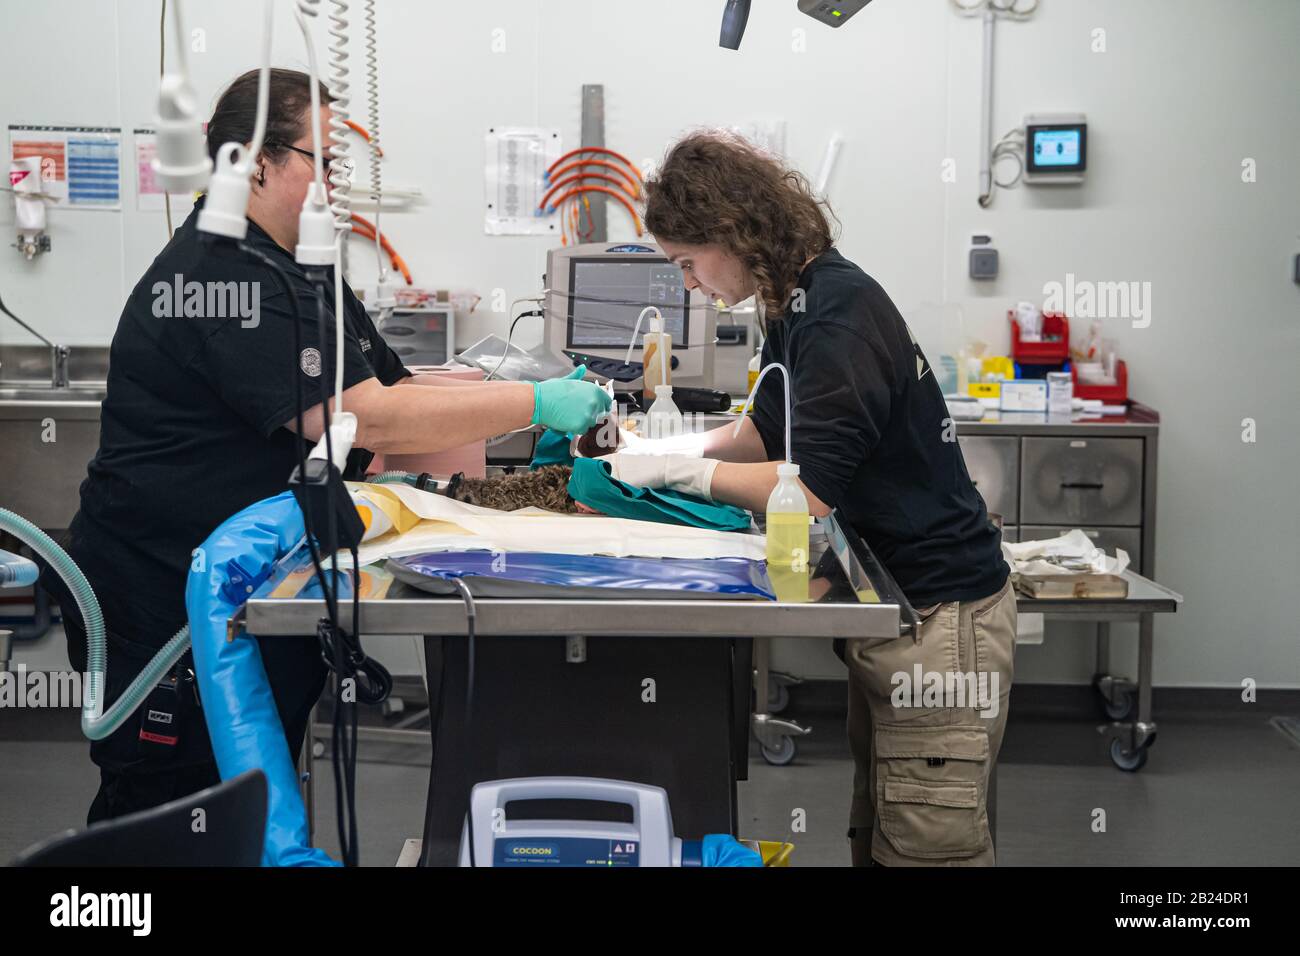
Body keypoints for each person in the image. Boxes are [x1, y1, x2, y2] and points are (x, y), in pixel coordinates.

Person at [40, 68, 609, 823]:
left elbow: (400, 390)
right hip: (164, 602)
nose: (334, 180)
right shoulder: (222, 278)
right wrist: (533, 403)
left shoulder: (302, 270)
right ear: (254, 160)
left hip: (254, 586)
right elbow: (364, 419)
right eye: (323, 160)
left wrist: (534, 408)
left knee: (255, 808)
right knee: (180, 816)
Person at [605, 130, 1016, 866]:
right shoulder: (790, 305)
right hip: (897, 609)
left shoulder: (839, 314)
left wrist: (678, 478)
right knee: (883, 828)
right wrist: (662, 450)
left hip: (940, 617)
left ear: (729, 233)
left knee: (928, 845)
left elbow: (813, 492)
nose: (690, 283)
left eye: (687, 263)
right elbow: (766, 433)